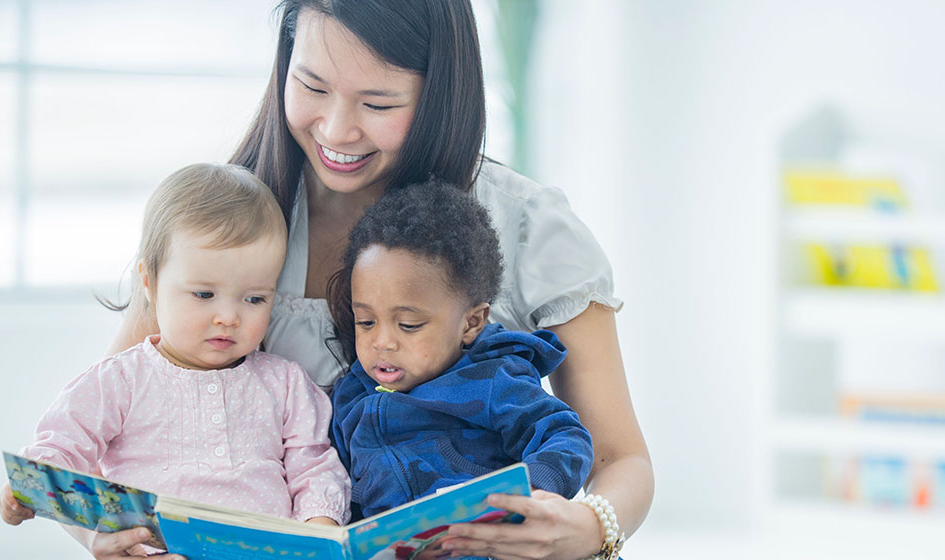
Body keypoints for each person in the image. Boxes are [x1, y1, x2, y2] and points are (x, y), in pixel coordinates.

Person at [112, 2, 654, 559]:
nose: (335, 129)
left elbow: (620, 458)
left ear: (440, 95)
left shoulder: (527, 225)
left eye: (377, 104)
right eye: (311, 86)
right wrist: (113, 539)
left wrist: (589, 526)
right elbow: (109, 428)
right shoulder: (222, 222)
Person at [0, 163, 350, 558]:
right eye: (204, 295)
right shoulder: (121, 380)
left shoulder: (285, 383)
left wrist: (320, 528)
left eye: (255, 298)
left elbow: (314, 465)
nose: (229, 317)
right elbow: (60, 448)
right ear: (149, 283)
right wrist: (25, 492)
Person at [328, 181, 594, 519]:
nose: (382, 342)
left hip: (490, 536)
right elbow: (332, 478)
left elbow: (566, 437)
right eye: (366, 322)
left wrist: (529, 495)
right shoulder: (350, 396)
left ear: (471, 323)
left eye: (408, 325)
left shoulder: (494, 380)